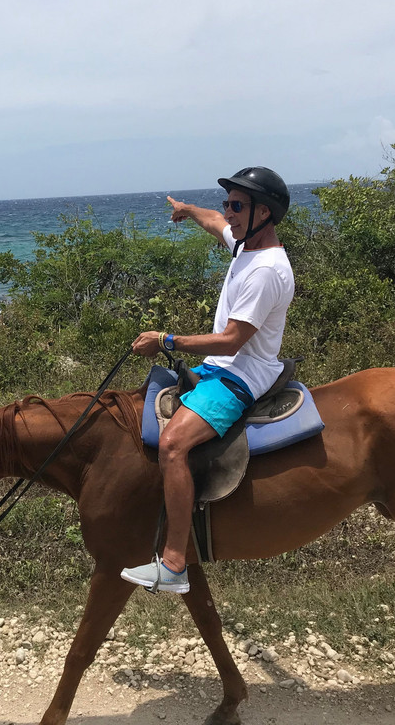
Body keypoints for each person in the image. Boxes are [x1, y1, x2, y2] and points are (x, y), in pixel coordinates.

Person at [120, 166, 295, 594]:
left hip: (243, 374)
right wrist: (188, 210)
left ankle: (176, 562)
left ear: (264, 212)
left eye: (237, 205)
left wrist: (168, 339)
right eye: (227, 203)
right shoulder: (246, 245)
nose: (228, 212)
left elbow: (233, 339)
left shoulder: (266, 270)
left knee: (173, 443)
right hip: (224, 366)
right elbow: (215, 225)